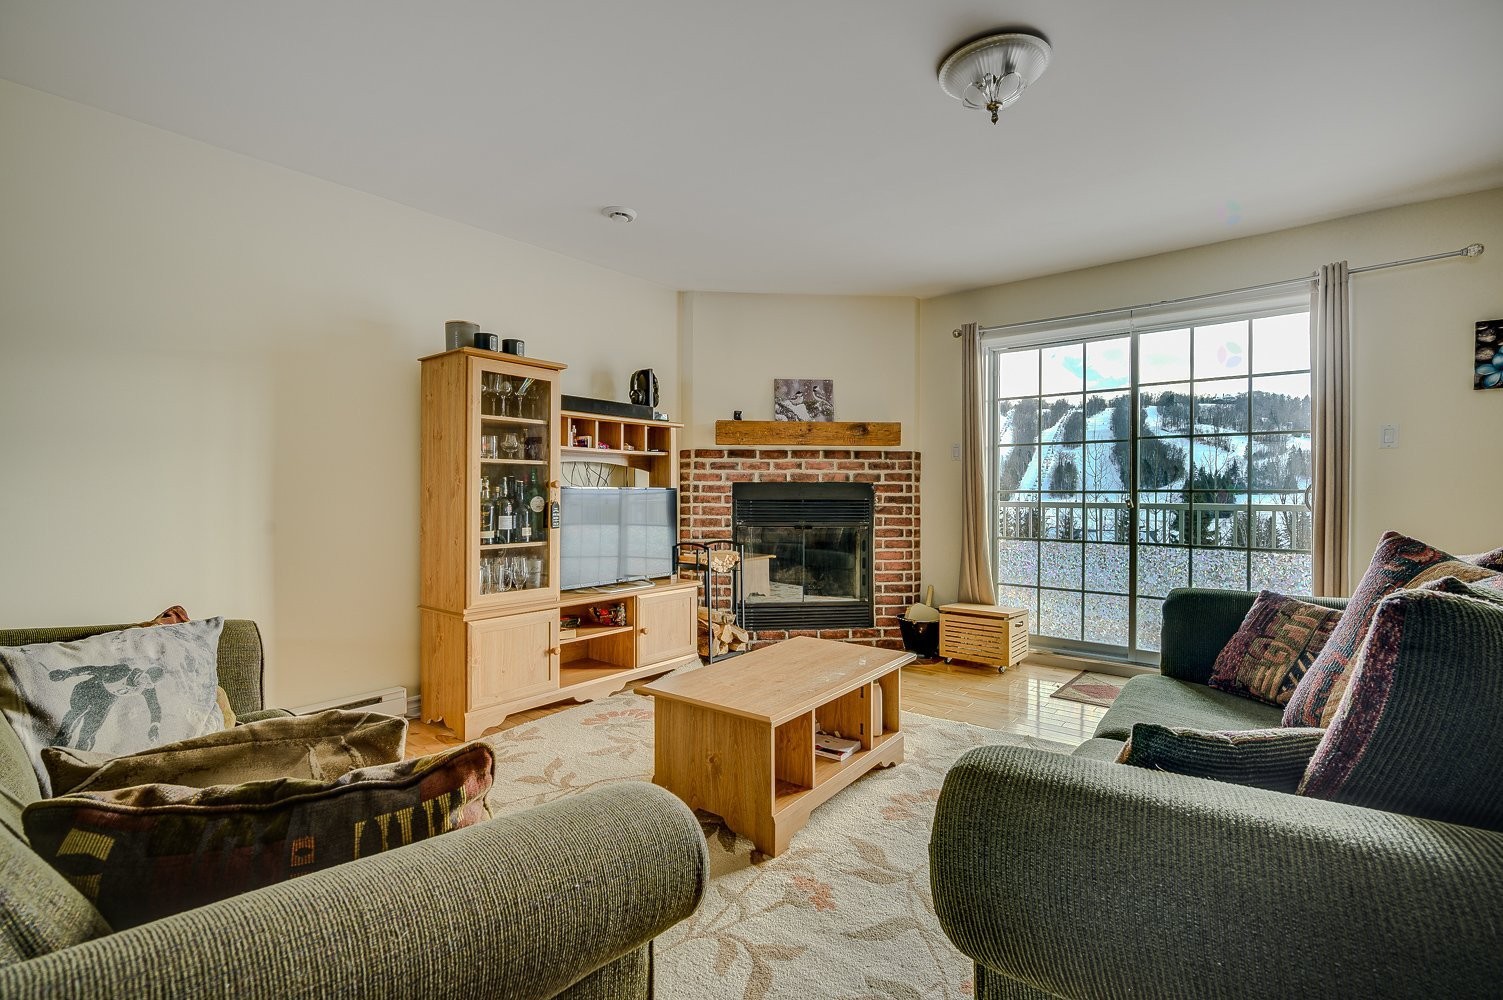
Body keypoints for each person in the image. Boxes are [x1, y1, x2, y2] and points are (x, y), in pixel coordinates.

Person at [48, 662, 164, 749]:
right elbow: (94, 669)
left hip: (106, 700)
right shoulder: (124, 670)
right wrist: (67, 673)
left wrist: (154, 727)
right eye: (145, 678)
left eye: (149, 684)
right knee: (78, 712)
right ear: (143, 672)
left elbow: (155, 708)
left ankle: (80, 753)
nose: (143, 684)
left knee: (89, 731)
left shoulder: (148, 690)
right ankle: (61, 740)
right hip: (89, 689)